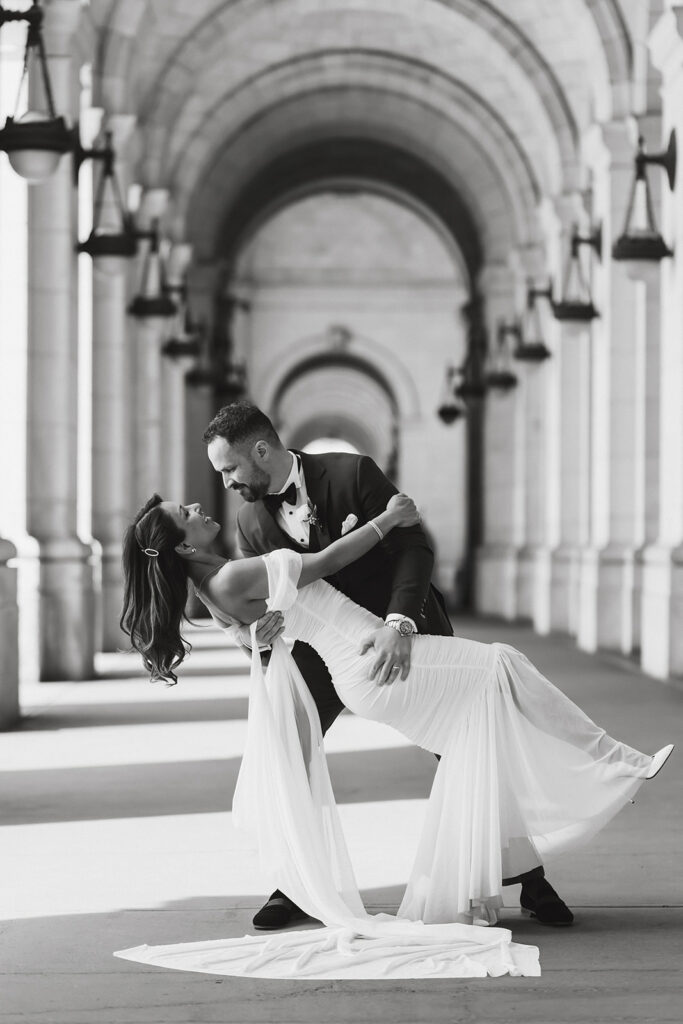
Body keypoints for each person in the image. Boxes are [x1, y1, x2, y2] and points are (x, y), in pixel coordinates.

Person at [117, 485, 673, 980]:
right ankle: (613, 760)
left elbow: (250, 636)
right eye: (182, 511)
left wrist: (263, 630)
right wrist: (388, 518)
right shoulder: (233, 574)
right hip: (370, 663)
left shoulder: (211, 589)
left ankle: (477, 881)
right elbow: (327, 560)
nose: (196, 504)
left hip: (362, 664)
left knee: (473, 735)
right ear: (183, 546)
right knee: (505, 663)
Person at [202, 401, 573, 928]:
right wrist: (257, 638)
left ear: (260, 450)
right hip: (318, 655)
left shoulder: (354, 473)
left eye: (231, 469)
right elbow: (266, 600)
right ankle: (295, 885)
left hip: (402, 630)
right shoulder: (249, 520)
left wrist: (400, 623)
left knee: (462, 749)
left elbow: (413, 547)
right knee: (292, 755)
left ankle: (530, 882)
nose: (228, 482)